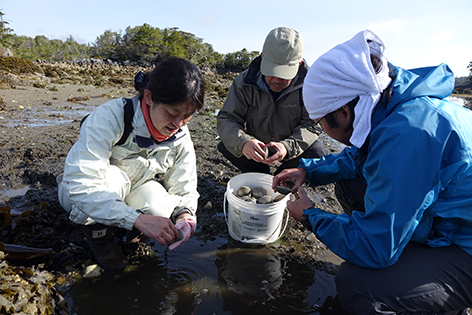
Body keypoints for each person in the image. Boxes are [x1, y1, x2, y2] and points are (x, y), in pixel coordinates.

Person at [273, 30, 472, 314]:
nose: (323, 131)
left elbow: (376, 247)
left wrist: (310, 216)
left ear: (342, 111)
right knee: (348, 184)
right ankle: (413, 266)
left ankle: (439, 300)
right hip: (452, 220)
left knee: (358, 284)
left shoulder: (410, 135)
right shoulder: (391, 104)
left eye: (321, 124)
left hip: (466, 245)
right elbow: (361, 157)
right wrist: (308, 171)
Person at [57, 57, 204, 270]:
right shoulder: (110, 116)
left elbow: (185, 185)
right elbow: (82, 185)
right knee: (113, 182)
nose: (178, 124)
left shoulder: (180, 133)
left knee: (160, 207)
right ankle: (100, 239)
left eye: (187, 116)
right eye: (172, 113)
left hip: (135, 185)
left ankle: (133, 236)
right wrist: (137, 219)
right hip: (84, 190)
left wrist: (186, 216)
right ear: (149, 97)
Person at [217, 27, 326, 175]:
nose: (276, 80)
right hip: (257, 147)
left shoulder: (311, 85)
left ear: (299, 64)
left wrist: (286, 147)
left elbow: (313, 124)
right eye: (271, 71)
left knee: (319, 152)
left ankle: (284, 175)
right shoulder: (243, 82)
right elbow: (227, 118)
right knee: (227, 144)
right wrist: (244, 143)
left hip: (292, 147)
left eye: (283, 75)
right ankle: (259, 172)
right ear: (262, 57)